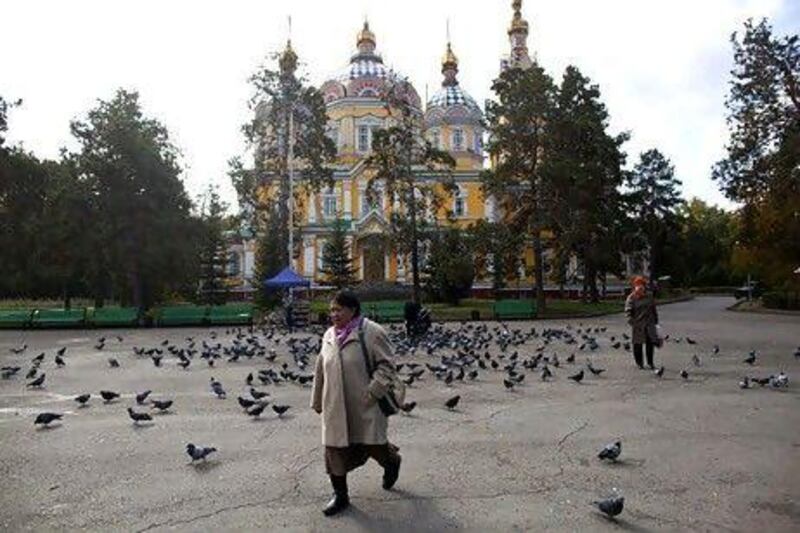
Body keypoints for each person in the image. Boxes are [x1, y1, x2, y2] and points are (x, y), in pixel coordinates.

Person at [310, 289, 402, 516]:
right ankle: (340, 496)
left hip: (365, 404)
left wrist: (373, 392)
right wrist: (317, 398)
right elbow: (321, 367)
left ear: (352, 310)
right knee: (333, 450)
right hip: (335, 405)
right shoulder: (329, 335)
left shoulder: (372, 332)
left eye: (338, 309)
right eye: (331, 310)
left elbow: (387, 365)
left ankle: (392, 462)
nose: (333, 314)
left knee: (373, 445)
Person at [624, 276, 660, 369]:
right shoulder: (631, 298)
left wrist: (656, 320)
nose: (640, 287)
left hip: (649, 323)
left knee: (650, 343)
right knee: (637, 344)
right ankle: (639, 363)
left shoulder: (649, 296)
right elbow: (628, 311)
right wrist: (632, 322)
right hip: (638, 324)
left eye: (642, 285)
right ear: (635, 286)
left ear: (644, 286)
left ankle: (650, 362)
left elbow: (653, 308)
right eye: (638, 285)